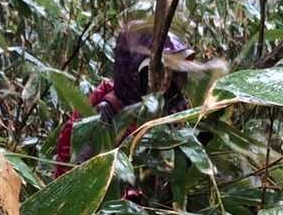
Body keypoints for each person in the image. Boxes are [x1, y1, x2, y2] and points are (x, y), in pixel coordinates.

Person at [54, 22, 192, 175]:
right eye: (159, 69)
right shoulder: (108, 110)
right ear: (138, 73)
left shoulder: (173, 104)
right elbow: (83, 175)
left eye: (172, 70)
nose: (166, 78)